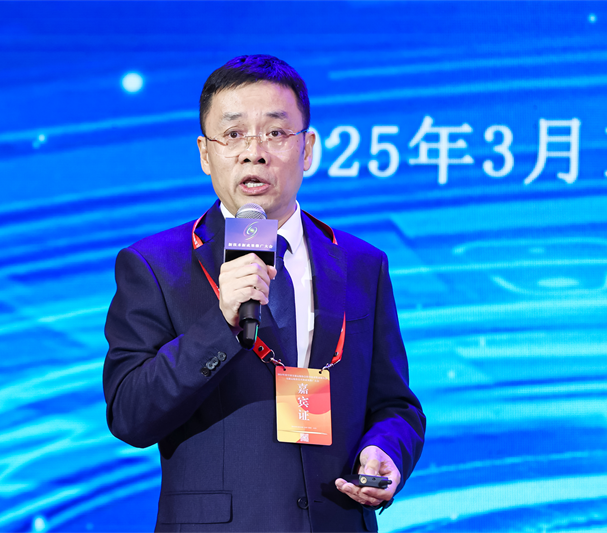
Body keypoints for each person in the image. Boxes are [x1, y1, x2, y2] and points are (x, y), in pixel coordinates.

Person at [103, 54, 426, 533]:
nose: (254, 153)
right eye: (233, 134)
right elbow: (130, 415)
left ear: (307, 149)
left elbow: (396, 405)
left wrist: (387, 450)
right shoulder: (154, 265)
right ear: (205, 154)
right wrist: (220, 325)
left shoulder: (363, 264)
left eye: (275, 133)